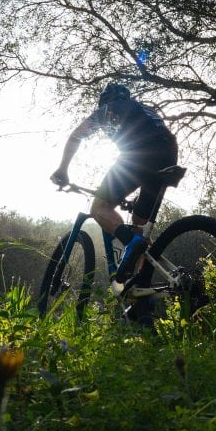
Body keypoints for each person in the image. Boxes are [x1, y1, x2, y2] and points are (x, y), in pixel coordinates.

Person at [50, 83, 178, 284]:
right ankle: (141, 289)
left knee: (99, 208)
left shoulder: (107, 110)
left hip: (139, 154)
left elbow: (76, 136)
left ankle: (132, 244)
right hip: (168, 154)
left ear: (104, 101)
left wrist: (62, 169)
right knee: (139, 226)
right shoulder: (145, 109)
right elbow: (153, 139)